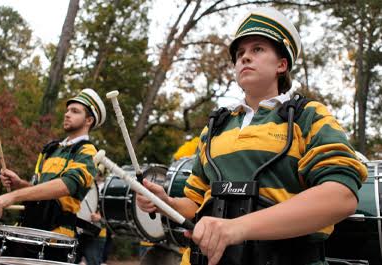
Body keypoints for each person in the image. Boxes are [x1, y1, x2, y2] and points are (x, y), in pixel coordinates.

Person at [137, 7, 368, 265]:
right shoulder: (214, 127)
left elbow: (341, 196)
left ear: (282, 64)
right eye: (239, 54)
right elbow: (196, 202)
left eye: (257, 49)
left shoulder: (309, 116)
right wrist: (166, 202)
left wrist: (239, 227)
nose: (245, 58)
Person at [0, 88, 106, 238]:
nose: (67, 114)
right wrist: (19, 183)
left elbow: (67, 185)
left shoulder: (88, 152)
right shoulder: (50, 149)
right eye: (67, 110)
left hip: (56, 236)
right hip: (29, 226)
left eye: (75, 111)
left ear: (89, 120)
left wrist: (14, 196)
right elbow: (37, 190)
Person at [75, 164, 108, 265]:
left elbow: (113, 221)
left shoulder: (107, 189)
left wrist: (100, 219)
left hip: (96, 234)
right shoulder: (81, 183)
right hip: (78, 232)